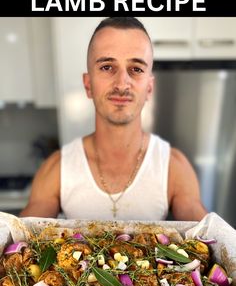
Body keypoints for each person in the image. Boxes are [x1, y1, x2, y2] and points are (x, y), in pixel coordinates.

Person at [20, 17, 207, 221]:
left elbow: (208, 238)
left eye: (136, 69)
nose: (121, 83)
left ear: (149, 88)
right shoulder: (57, 169)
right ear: (88, 84)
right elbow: (23, 238)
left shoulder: (173, 166)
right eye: (107, 67)